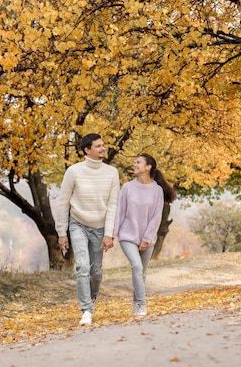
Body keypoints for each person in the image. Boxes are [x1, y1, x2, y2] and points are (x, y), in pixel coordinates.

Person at [56, 133, 120, 326]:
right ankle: (86, 310)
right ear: (87, 150)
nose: (103, 148)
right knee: (82, 266)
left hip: (100, 227)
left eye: (103, 145)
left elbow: (113, 205)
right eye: (98, 146)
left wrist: (109, 233)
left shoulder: (112, 173)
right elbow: (63, 203)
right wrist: (61, 233)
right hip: (78, 224)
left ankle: (91, 298)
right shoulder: (73, 172)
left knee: (97, 271)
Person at [114, 153, 176, 316]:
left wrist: (147, 239)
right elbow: (119, 212)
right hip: (127, 235)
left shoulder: (156, 190)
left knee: (142, 272)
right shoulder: (127, 187)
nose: (134, 165)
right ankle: (142, 304)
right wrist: (112, 235)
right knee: (137, 266)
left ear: (148, 167)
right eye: (135, 162)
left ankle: (136, 303)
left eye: (138, 162)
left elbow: (156, 217)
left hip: (148, 238)